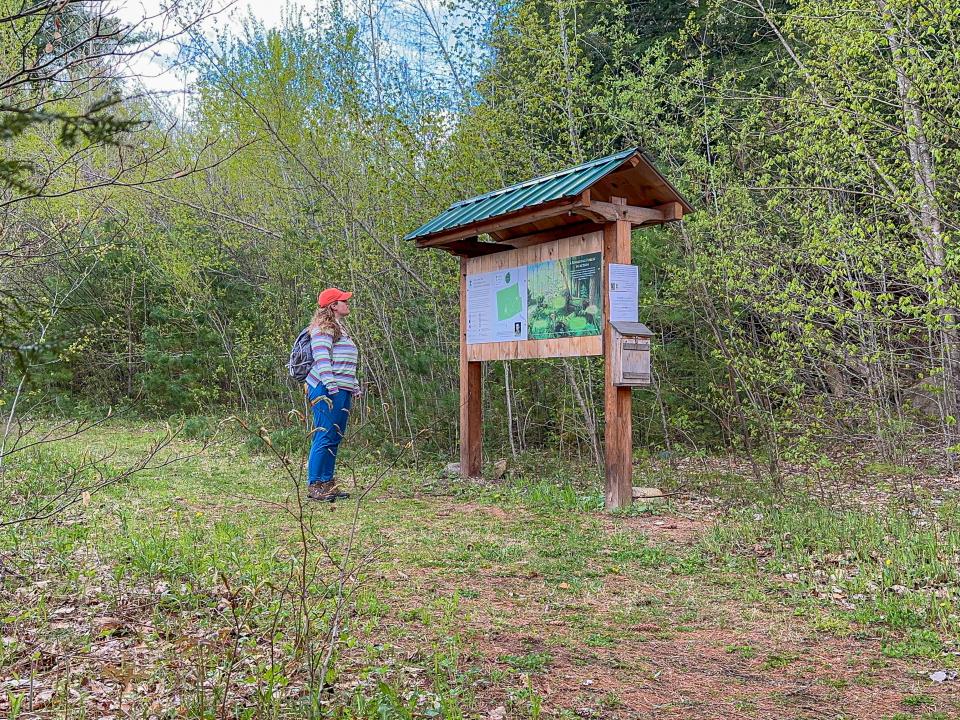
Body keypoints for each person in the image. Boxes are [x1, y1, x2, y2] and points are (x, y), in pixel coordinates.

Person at [304, 287, 361, 502]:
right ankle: (315, 484)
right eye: (343, 301)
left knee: (334, 436)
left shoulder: (339, 328)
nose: (347, 303)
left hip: (341, 388)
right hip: (326, 389)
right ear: (333, 306)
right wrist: (331, 386)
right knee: (324, 435)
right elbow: (322, 358)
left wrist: (353, 385)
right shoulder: (323, 328)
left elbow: (345, 362)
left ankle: (328, 482)